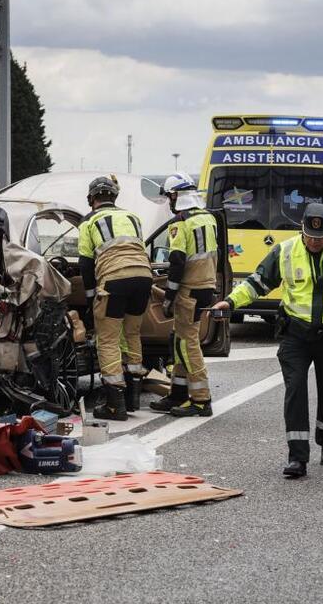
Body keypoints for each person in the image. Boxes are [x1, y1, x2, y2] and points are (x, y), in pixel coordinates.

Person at [212, 203, 323, 478]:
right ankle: (297, 456)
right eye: (310, 236)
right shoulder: (286, 250)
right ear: (302, 230)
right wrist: (230, 302)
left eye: (320, 237)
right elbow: (258, 282)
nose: (314, 242)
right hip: (295, 333)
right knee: (295, 389)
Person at [78, 175, 152, 421]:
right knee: (132, 334)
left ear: (91, 200)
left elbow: (86, 264)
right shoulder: (133, 218)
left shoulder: (89, 222)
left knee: (108, 340)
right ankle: (132, 398)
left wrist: (91, 300)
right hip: (144, 279)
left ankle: (114, 405)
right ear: (114, 197)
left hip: (113, 281)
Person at [150, 172, 219, 417]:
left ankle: (201, 399)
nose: (169, 201)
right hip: (206, 287)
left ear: (177, 195)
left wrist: (169, 296)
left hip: (189, 290)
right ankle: (178, 394)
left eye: (170, 196)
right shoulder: (208, 217)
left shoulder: (181, 222)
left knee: (188, 344)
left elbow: (177, 261)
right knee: (180, 340)